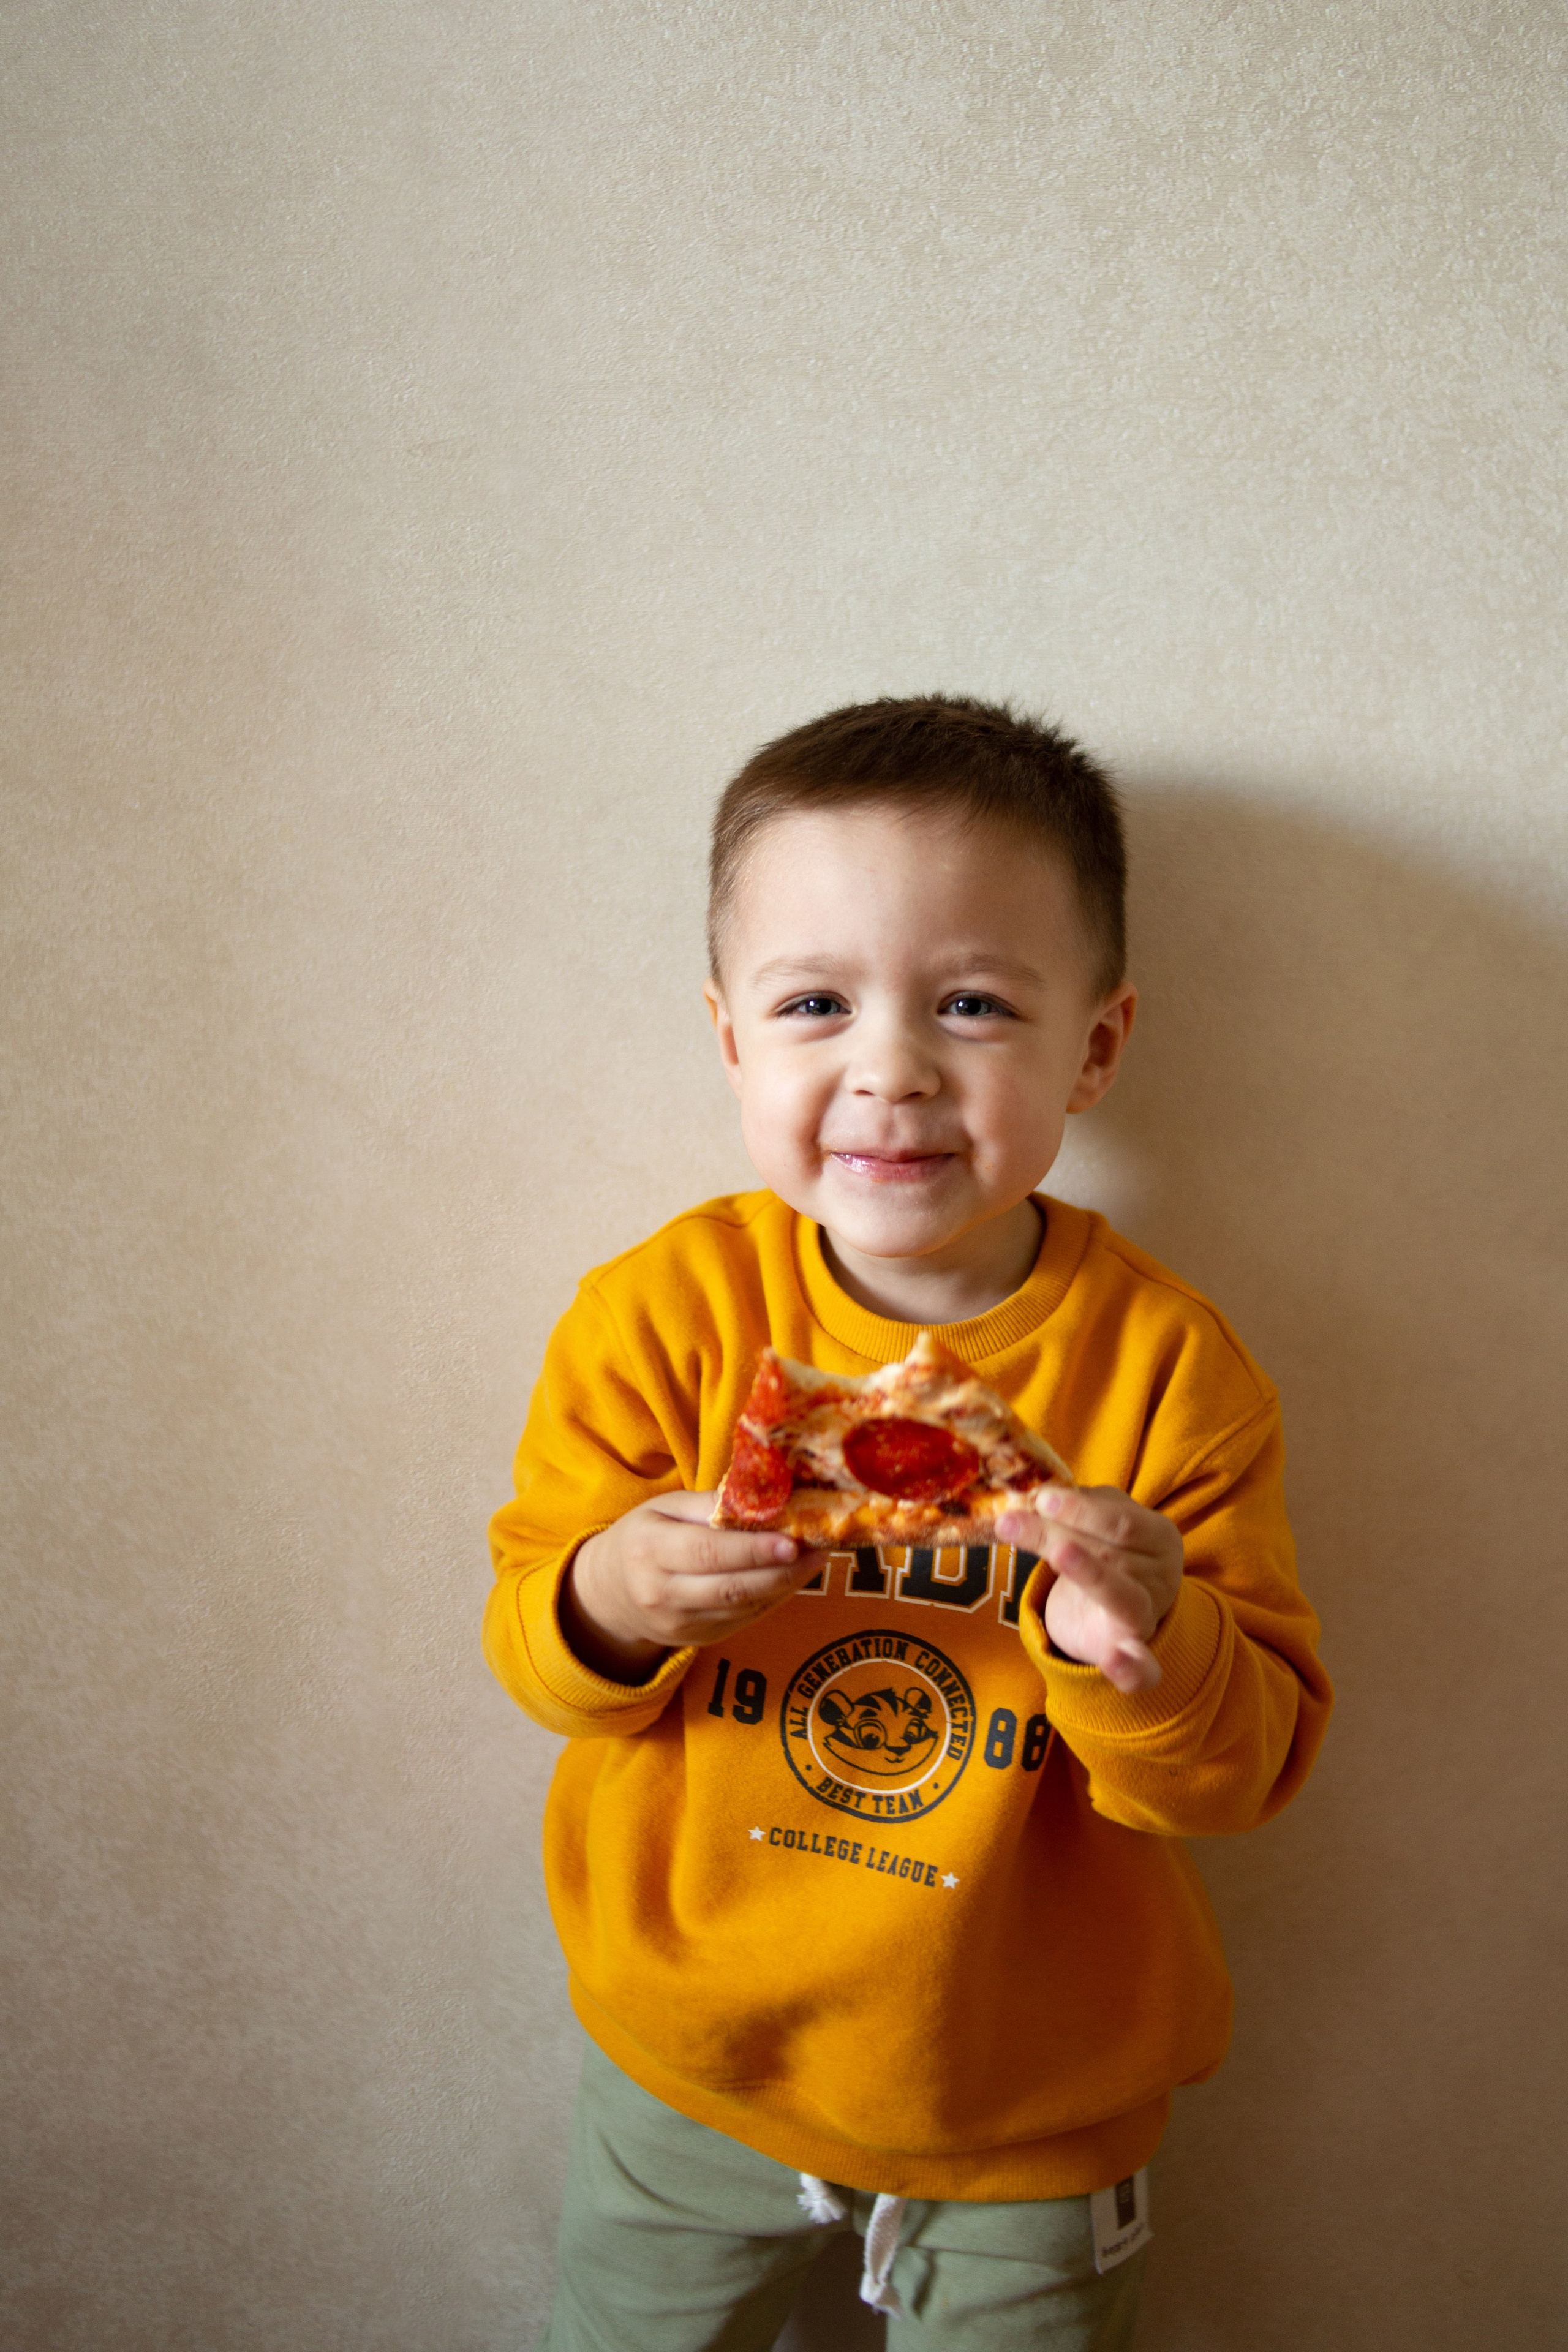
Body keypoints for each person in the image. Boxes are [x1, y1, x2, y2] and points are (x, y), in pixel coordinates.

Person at [485, 695, 1332, 2351]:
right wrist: (612, 1596)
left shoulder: (1173, 1375)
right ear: (733, 1039)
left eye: (972, 1004)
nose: (890, 1069)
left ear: (1095, 1048)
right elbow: (534, 1652)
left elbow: (1242, 1776)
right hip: (687, 2065)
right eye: (816, 1003)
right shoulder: (658, 1321)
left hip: (1030, 2105)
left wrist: (1150, 1642)